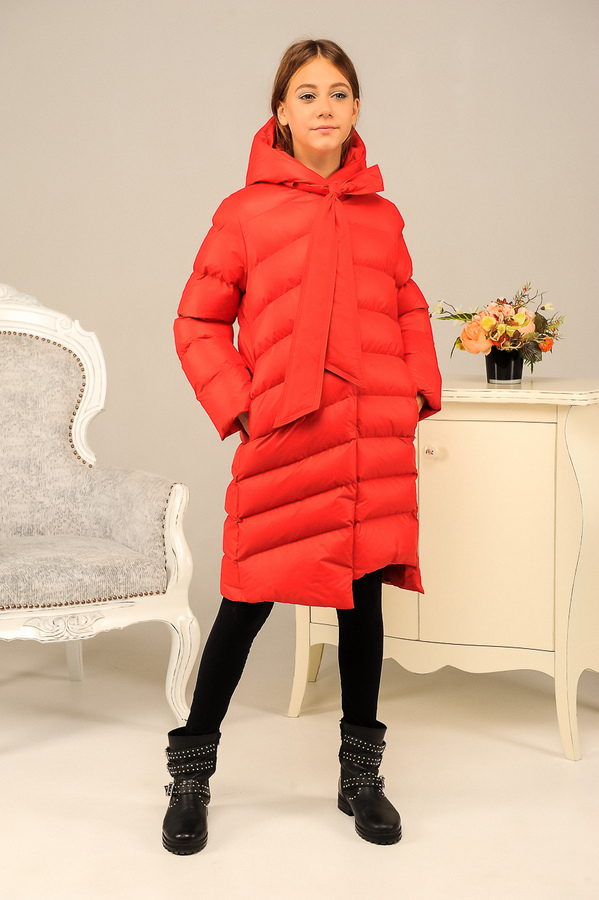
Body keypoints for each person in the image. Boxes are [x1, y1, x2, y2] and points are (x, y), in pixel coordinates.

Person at [164, 38, 442, 855]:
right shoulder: (244, 212)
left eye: (339, 93)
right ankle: (190, 778)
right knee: (246, 600)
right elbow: (197, 320)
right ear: (280, 112)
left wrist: (414, 390)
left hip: (367, 438)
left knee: (362, 606)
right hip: (289, 434)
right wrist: (242, 407)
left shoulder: (380, 215)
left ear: (356, 110)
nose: (325, 106)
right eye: (308, 93)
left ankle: (361, 780)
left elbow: (407, 306)